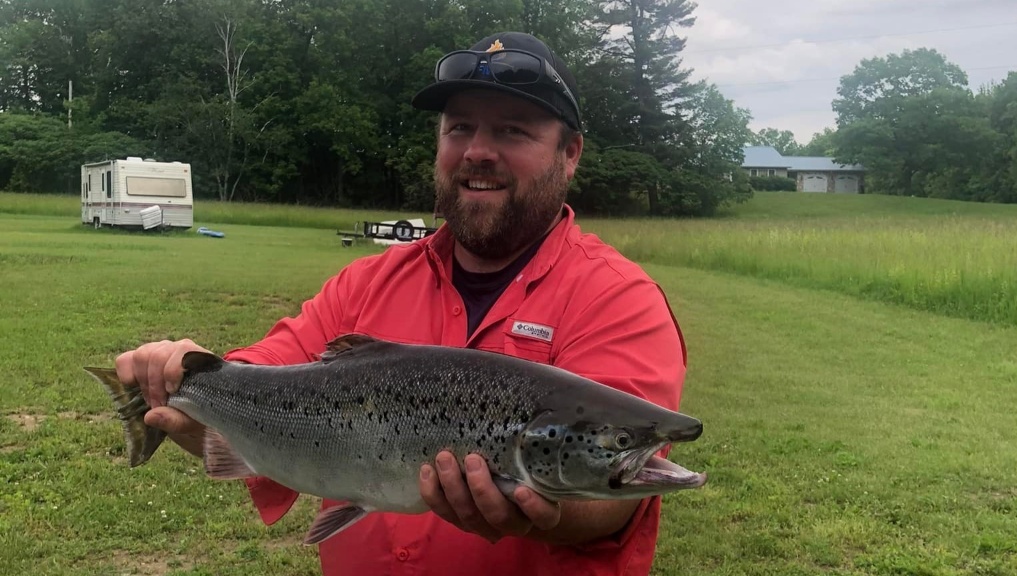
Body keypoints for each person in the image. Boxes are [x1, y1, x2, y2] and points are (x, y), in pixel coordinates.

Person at [117, 31, 689, 576]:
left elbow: (610, 505)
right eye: (459, 127)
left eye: (513, 131)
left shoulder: (619, 299)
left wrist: (553, 509)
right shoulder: (362, 283)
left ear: (570, 154)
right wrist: (191, 383)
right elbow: (262, 373)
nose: (478, 152)